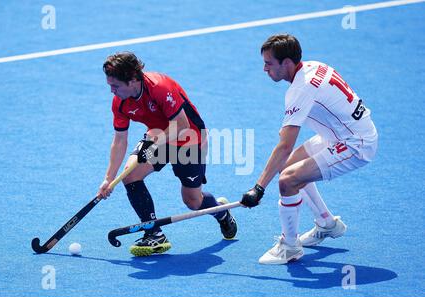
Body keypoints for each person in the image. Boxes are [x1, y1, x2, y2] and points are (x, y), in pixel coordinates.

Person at [241, 34, 378, 265]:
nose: (265, 69)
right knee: (290, 168)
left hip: (356, 144)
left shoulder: (300, 91)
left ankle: (290, 247)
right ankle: (327, 223)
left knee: (287, 181)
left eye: (268, 63)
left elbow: (285, 146)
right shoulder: (314, 66)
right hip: (343, 133)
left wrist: (258, 188)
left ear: (286, 63)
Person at [97, 51, 237, 256]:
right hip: (158, 137)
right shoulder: (120, 102)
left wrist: (154, 145)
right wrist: (109, 179)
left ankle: (220, 211)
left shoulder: (160, 88)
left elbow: (182, 125)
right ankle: (154, 233)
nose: (112, 91)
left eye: (115, 86)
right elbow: (119, 141)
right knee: (130, 175)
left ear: (133, 80)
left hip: (190, 139)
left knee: (192, 201)